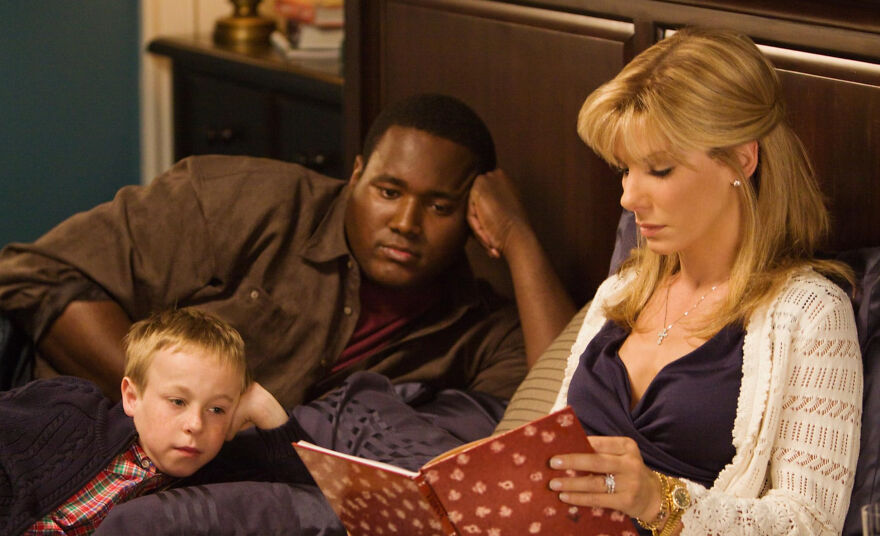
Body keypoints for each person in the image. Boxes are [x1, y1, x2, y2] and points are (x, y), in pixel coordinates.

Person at [199, 27, 863, 536]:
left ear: (740, 159)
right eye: (623, 170)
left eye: (658, 169)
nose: (630, 197)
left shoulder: (808, 314)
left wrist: (661, 500)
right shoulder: (619, 294)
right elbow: (525, 488)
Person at [0, 93, 574, 407]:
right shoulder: (241, 200)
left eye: (440, 207)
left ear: (474, 218)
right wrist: (181, 404)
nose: (406, 223)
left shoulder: (479, 328)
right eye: (388, 191)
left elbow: (565, 416)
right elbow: (33, 275)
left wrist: (521, 240)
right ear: (355, 176)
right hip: (79, 422)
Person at [0, 307, 294, 536]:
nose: (195, 425)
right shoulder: (71, 411)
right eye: (177, 401)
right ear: (132, 396)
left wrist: (267, 409)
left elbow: (306, 501)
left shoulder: (221, 479)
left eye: (217, 409)